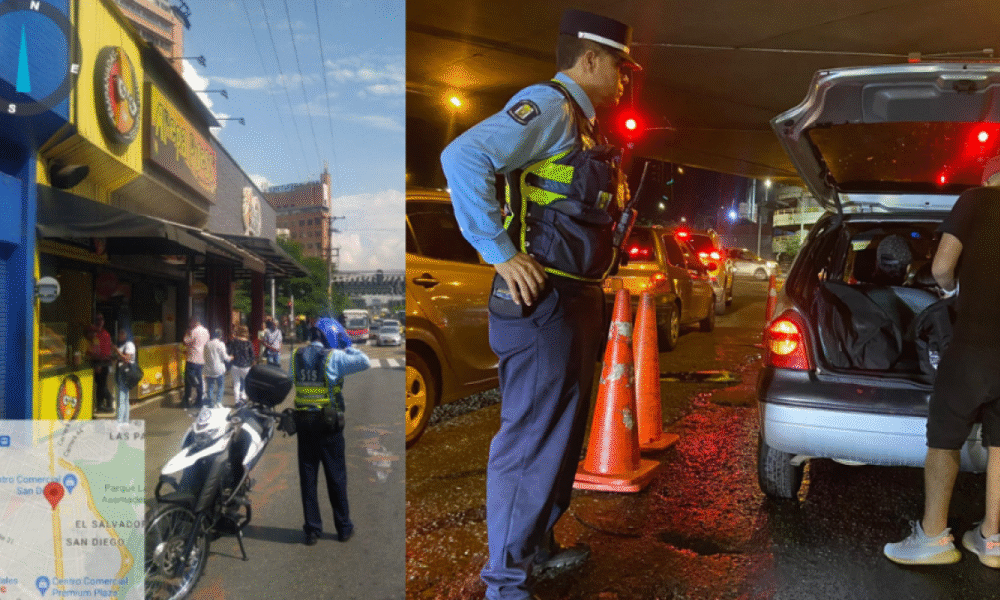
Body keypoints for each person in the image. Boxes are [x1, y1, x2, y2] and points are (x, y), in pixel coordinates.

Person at [440, 9, 640, 599]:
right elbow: (463, 157)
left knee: (561, 438)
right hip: (540, 302)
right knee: (530, 442)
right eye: (621, 68)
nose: (626, 80)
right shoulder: (549, 106)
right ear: (590, 60)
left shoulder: (583, 125)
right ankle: (505, 582)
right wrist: (500, 253)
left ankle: (534, 549)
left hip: (574, 298)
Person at [884, 158, 1000, 568]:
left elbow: (941, 267)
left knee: (944, 439)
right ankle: (992, 539)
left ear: (989, 176)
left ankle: (934, 538)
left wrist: (951, 290)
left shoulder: (976, 200)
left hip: (973, 348)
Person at [291, 317, 370, 546]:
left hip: (304, 423)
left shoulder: (296, 356)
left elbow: (289, 379)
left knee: (308, 477)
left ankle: (312, 530)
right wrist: (347, 344)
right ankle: (343, 528)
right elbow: (364, 361)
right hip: (328, 425)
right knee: (336, 476)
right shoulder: (333, 358)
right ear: (330, 336)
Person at [87, 315, 114, 412]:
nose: (99, 321)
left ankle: (105, 402)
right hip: (99, 361)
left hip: (103, 362)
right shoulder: (94, 333)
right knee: (101, 385)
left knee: (101, 385)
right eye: (97, 319)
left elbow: (104, 351)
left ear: (103, 321)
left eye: (101, 319)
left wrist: (98, 363)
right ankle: (103, 404)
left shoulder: (105, 334)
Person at [183, 318, 209, 408]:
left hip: (192, 359)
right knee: (199, 380)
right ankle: (199, 401)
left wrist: (187, 333)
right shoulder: (206, 331)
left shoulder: (193, 331)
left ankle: (186, 400)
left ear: (194, 322)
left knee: (188, 381)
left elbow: (186, 341)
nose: (189, 325)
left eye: (190, 323)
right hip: (201, 359)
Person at [203, 328, 232, 408]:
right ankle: (218, 402)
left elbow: (204, 357)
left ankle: (211, 403)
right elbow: (225, 357)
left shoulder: (207, 344)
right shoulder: (221, 344)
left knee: (210, 386)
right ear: (220, 336)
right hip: (219, 369)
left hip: (209, 369)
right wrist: (231, 358)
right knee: (220, 385)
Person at [113, 328, 136, 424]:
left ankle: (119, 422)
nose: (119, 337)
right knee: (125, 398)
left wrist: (116, 351)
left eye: (120, 334)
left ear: (124, 335)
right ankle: (125, 421)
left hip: (125, 374)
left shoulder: (129, 345)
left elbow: (126, 359)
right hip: (121, 373)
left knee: (121, 399)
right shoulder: (122, 345)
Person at [228, 325, 255, 404]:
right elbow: (252, 356)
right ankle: (243, 398)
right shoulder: (248, 343)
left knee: (236, 384)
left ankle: (237, 401)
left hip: (235, 365)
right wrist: (253, 364)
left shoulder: (234, 341)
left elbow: (229, 352)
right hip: (245, 366)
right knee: (246, 383)